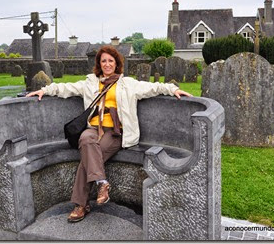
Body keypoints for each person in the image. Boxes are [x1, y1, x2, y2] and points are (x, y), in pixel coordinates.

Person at [26, 45, 192, 222]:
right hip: (93, 128)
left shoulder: (127, 84)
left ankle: (81, 205)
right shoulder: (90, 83)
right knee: (85, 138)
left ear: (116, 63)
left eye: (110, 61)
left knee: (87, 159)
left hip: (115, 132)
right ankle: (102, 183)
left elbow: (152, 87)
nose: (107, 64)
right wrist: (45, 90)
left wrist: (172, 90)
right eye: (103, 61)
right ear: (99, 63)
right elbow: (67, 88)